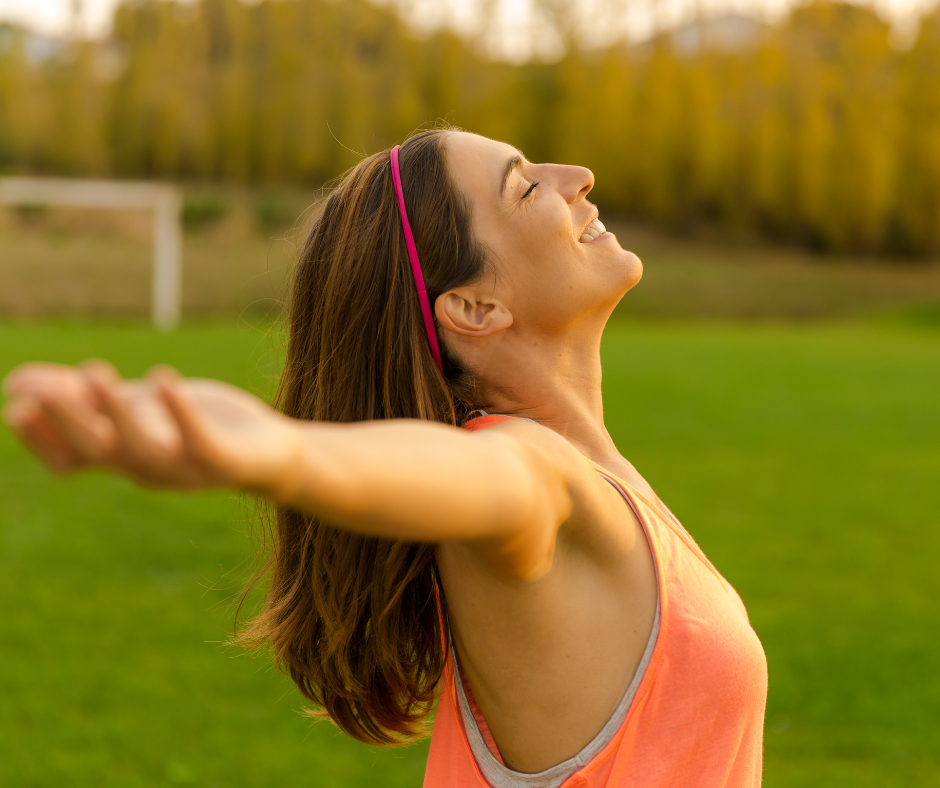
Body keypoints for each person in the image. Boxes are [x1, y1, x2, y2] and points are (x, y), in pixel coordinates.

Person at [2, 128, 768, 787]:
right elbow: (470, 476)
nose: (577, 179)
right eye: (525, 187)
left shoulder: (593, 478)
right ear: (475, 307)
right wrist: (278, 452)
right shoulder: (528, 468)